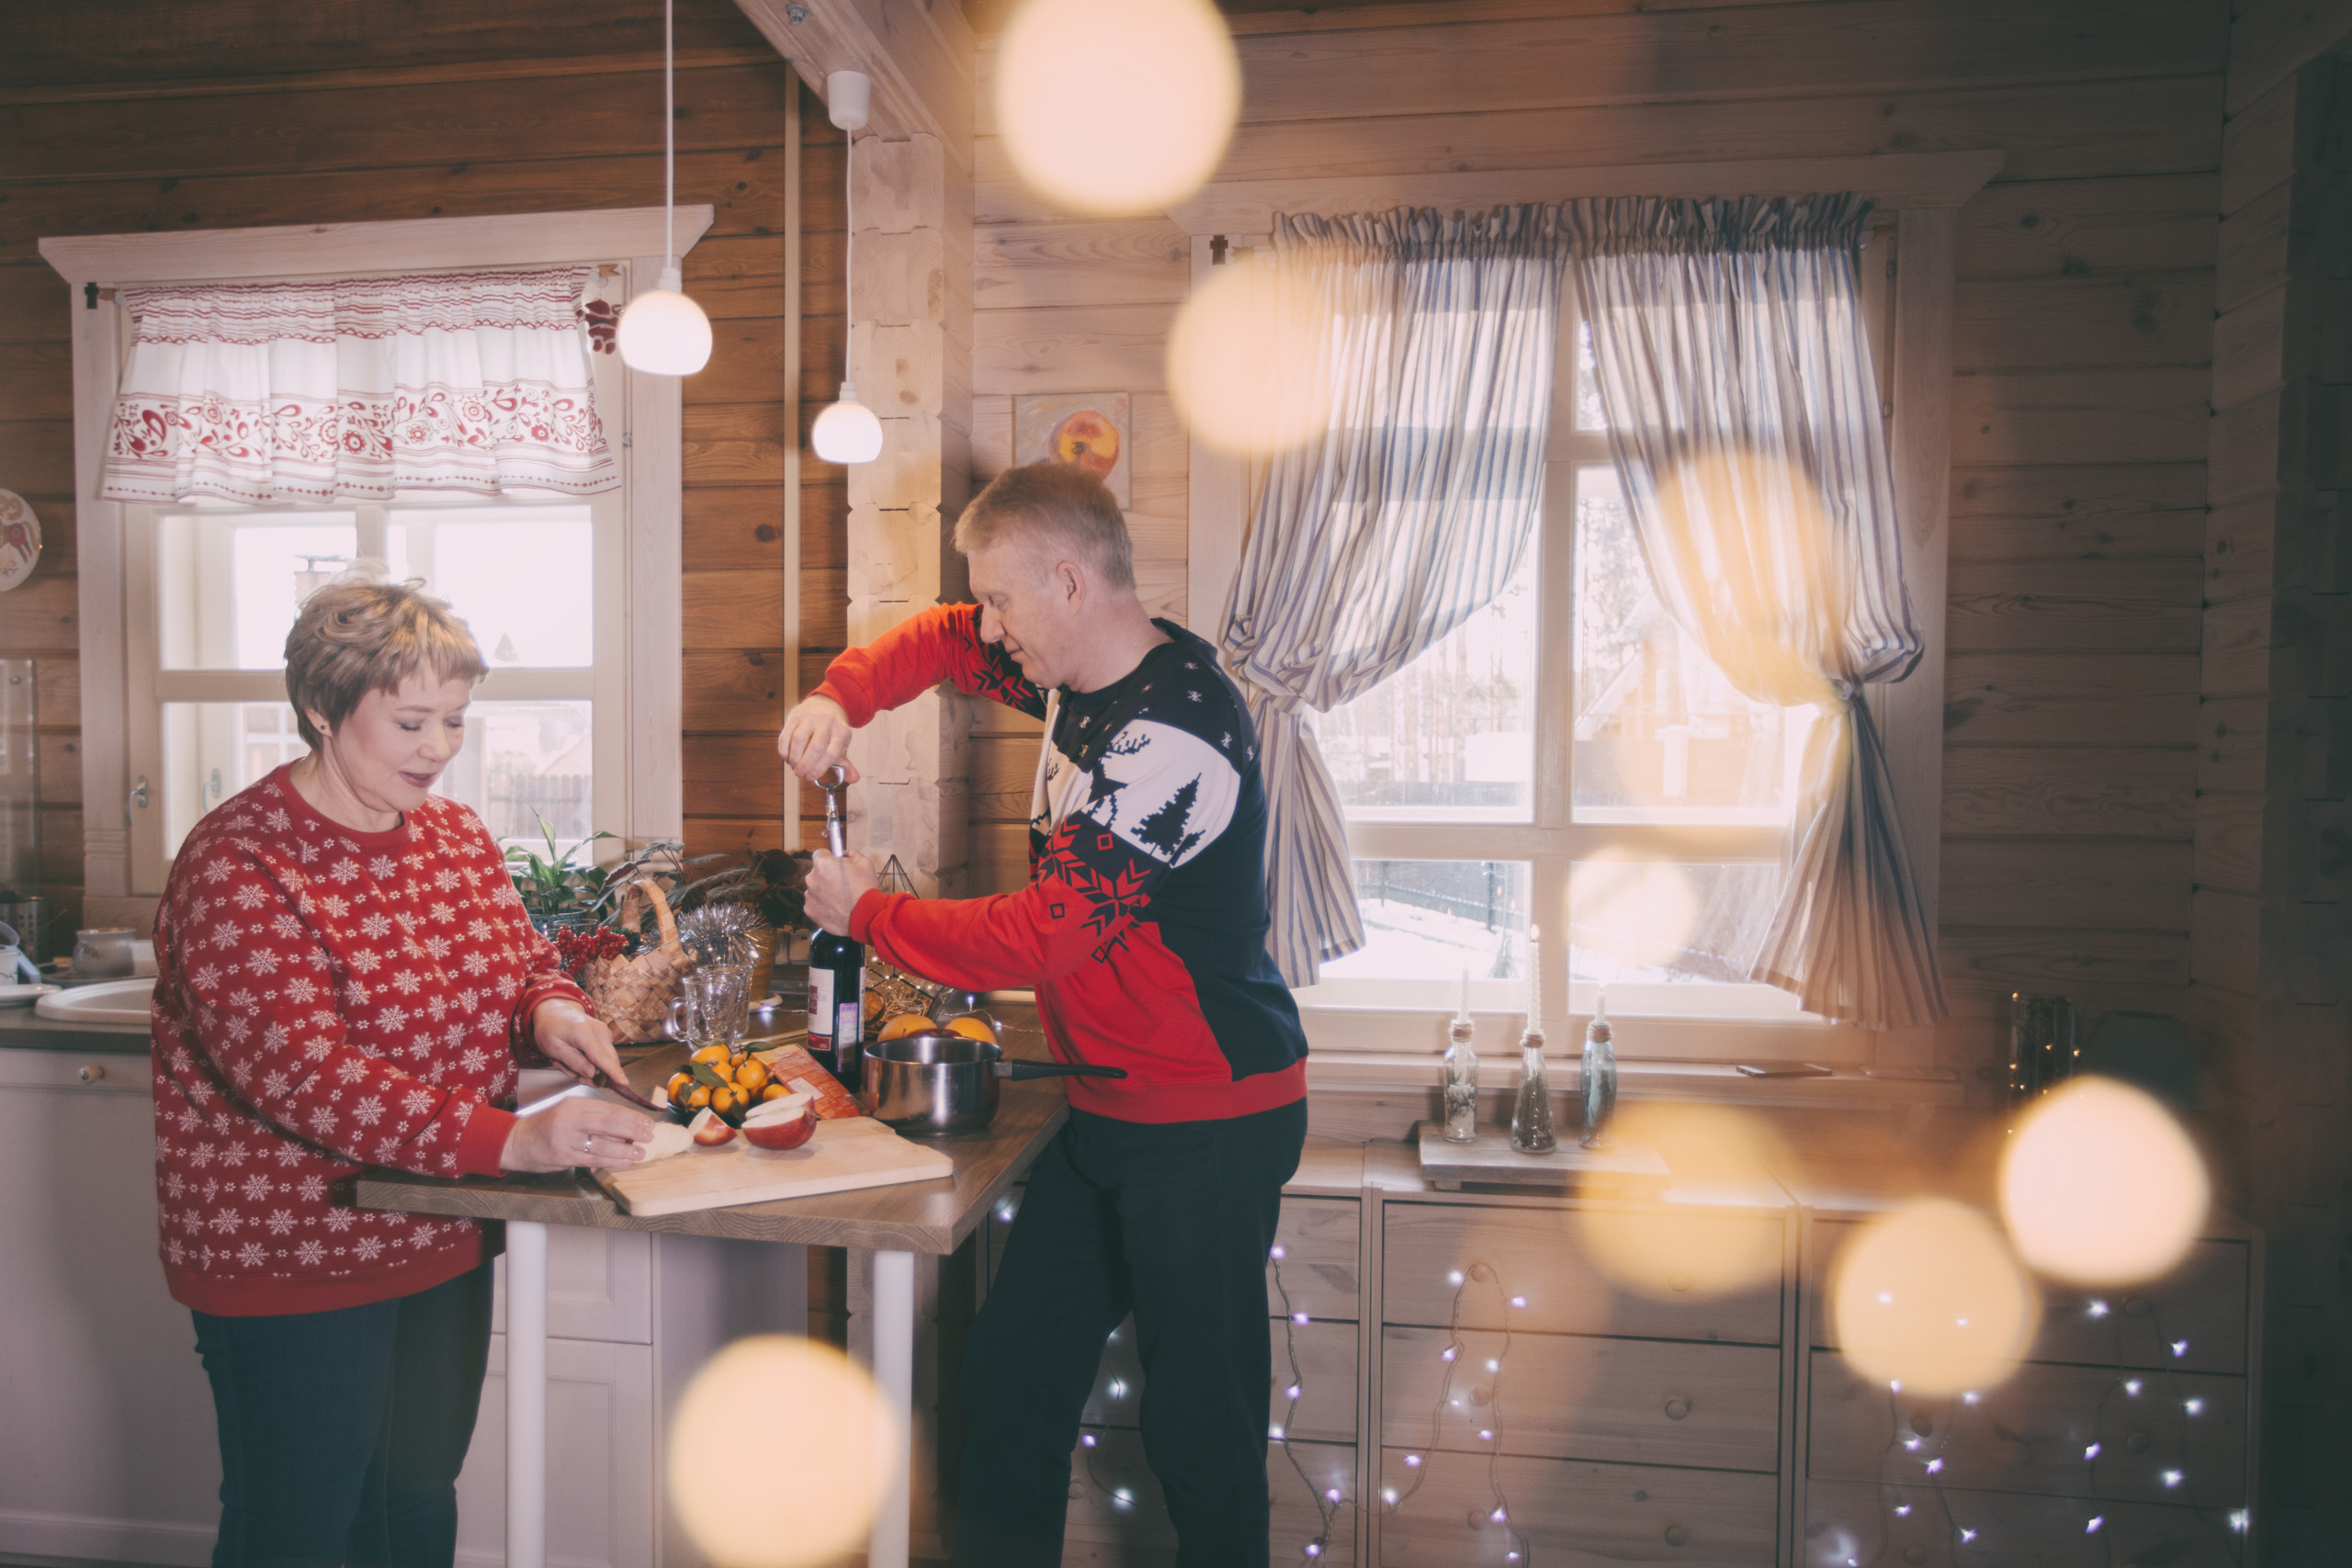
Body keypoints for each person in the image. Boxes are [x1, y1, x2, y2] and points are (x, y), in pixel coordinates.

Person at [780, 462, 1309, 1566]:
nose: (989, 627)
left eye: (1002, 600)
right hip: (1108, 1106)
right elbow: (941, 639)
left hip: (1207, 1119)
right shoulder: (1079, 673)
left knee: (1200, 1431)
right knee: (1012, 1382)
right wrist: (841, 695)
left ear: (1069, 582)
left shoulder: (1172, 737)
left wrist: (869, 915)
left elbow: (1043, 936)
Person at [149, 570, 657, 1568]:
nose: (439, 749)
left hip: (440, 1224)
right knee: (298, 1530)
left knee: (414, 1508)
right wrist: (515, 1141)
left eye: (454, 722)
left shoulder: (455, 836)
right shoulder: (240, 862)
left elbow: (521, 963)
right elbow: (303, 1072)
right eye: (412, 723)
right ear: (321, 706)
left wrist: (550, 1009)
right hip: (293, 1249)